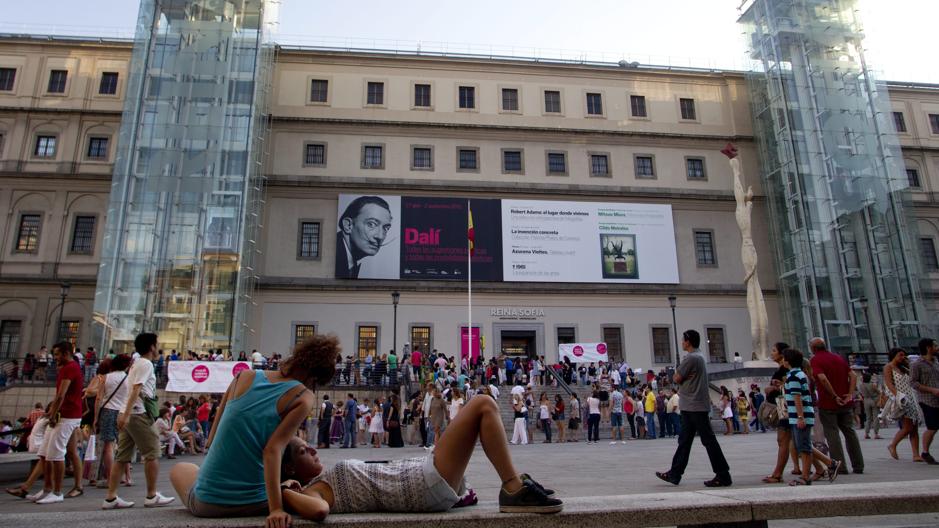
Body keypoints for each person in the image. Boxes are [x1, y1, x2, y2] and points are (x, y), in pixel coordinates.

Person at [277, 395, 561, 519]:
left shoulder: (321, 481)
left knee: (482, 407)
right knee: (483, 405)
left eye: (308, 445)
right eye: (303, 451)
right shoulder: (316, 490)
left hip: (423, 477)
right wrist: (284, 492)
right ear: (289, 468)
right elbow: (318, 511)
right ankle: (512, 487)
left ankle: (514, 483)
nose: (313, 449)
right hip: (423, 483)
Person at [169, 334, 336, 525]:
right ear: (314, 377)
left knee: (180, 468)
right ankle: (280, 489)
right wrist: (276, 509)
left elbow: (213, 434)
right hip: (255, 501)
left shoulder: (244, 376)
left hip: (207, 503)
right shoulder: (302, 396)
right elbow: (272, 450)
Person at [103, 333, 175, 509]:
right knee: (153, 454)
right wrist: (126, 414)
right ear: (151, 346)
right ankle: (151, 495)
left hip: (128, 415)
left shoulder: (136, 364)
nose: (158, 347)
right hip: (138, 414)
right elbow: (136, 389)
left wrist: (123, 414)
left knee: (122, 457)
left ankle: (111, 497)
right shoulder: (146, 364)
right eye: (156, 344)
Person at [656, 330, 732, 487]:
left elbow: (676, 378)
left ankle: (723, 474)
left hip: (694, 405)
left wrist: (679, 375)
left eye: (683, 340)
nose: (682, 343)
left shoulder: (691, 358)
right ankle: (675, 474)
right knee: (685, 441)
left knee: (708, 440)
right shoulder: (700, 356)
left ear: (688, 341)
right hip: (693, 404)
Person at [15, 343, 84, 504]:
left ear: (67, 353)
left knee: (56, 454)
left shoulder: (69, 368)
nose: (55, 358)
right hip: (65, 414)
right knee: (45, 453)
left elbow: (61, 394)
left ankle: (57, 491)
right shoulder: (68, 368)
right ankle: (47, 489)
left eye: (58, 354)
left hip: (67, 416)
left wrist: (53, 413)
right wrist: (52, 411)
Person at [808, 337, 864, 474]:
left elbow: (822, 378)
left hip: (829, 403)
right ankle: (858, 465)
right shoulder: (838, 358)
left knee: (832, 434)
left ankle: (840, 466)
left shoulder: (815, 360)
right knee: (850, 432)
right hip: (845, 403)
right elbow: (853, 376)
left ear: (813, 348)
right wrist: (849, 394)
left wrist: (834, 395)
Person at [95, 353, 133, 487]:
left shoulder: (106, 378)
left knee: (108, 446)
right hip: (122, 412)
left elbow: (99, 398)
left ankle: (112, 478)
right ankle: (128, 477)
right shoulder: (129, 379)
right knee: (123, 446)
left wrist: (95, 418)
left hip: (108, 411)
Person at [335, 196, 393, 278]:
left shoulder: (349, 261)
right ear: (348, 225)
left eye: (385, 228)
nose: (380, 236)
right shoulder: (334, 256)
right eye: (371, 224)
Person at [782, 349, 815, 486]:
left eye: (784, 358)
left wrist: (800, 416)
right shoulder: (798, 374)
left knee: (804, 447)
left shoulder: (794, 375)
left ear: (788, 361)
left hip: (800, 416)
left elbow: (797, 397)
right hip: (799, 415)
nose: (782, 361)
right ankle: (805, 475)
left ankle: (806, 476)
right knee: (801, 445)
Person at [884, 347, 923, 462]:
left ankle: (916, 454)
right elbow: (889, 384)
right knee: (907, 427)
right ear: (893, 355)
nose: (902, 357)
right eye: (900, 355)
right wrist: (898, 396)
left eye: (904, 355)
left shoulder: (905, 367)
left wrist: (908, 363)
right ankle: (893, 445)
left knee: (914, 428)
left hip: (911, 399)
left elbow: (914, 378)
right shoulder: (888, 367)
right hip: (902, 399)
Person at [911, 338, 939, 465]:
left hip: (938, 398)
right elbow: (913, 382)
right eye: (935, 345)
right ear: (928, 348)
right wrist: (931, 390)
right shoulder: (917, 364)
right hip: (927, 400)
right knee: (932, 427)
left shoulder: (936, 362)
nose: (937, 347)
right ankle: (925, 452)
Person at [859, 372, 882, 440]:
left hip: (866, 400)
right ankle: (876, 433)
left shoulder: (861, 385)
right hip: (874, 400)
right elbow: (879, 392)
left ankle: (866, 433)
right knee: (875, 417)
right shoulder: (872, 385)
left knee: (868, 418)